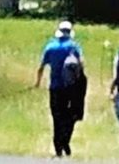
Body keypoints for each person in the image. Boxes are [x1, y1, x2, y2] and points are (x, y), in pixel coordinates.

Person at [35, 20, 87, 158]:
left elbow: (41, 67)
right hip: (70, 88)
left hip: (55, 88)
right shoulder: (74, 47)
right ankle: (65, 141)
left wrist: (38, 83)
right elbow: (81, 64)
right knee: (70, 115)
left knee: (56, 117)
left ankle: (58, 146)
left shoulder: (50, 47)